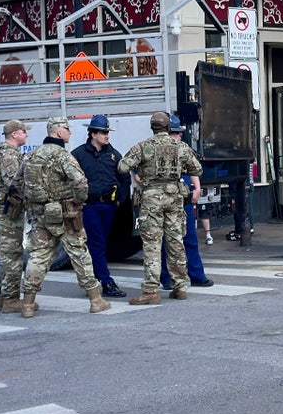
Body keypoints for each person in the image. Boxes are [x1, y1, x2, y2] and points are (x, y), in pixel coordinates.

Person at [16, 117, 110, 318]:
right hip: (67, 215)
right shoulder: (62, 156)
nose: (69, 132)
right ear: (59, 132)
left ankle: (28, 304)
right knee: (80, 254)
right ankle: (96, 300)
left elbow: (18, 184)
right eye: (67, 129)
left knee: (38, 256)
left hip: (40, 215)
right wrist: (78, 201)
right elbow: (81, 182)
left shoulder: (30, 155)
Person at [118, 111, 204, 305]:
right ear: (167, 127)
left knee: (152, 245)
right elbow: (197, 169)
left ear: (152, 127)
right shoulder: (181, 147)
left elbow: (123, 167)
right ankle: (180, 287)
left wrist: (142, 168)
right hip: (175, 198)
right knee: (176, 242)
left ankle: (151, 290)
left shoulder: (143, 147)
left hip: (152, 200)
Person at [71, 114, 132, 299]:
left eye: (107, 132)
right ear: (93, 134)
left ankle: (95, 278)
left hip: (109, 205)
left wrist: (120, 199)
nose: (107, 136)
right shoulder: (79, 154)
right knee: (96, 244)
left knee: (101, 244)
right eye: (103, 132)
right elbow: (69, 179)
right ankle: (106, 282)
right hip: (90, 206)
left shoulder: (113, 154)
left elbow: (124, 177)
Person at [159, 115, 215, 290]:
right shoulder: (156, 150)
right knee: (164, 242)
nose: (179, 136)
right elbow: (139, 175)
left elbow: (194, 169)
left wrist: (197, 187)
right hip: (165, 202)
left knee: (190, 239)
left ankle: (197, 275)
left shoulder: (184, 149)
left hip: (184, 201)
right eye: (176, 133)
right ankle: (166, 277)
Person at [0, 119, 29, 313]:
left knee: (0, 254)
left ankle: (2, 298)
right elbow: (13, 182)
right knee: (11, 253)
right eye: (23, 132)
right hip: (7, 210)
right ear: (14, 134)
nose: (26, 135)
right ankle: (11, 299)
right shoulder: (9, 154)